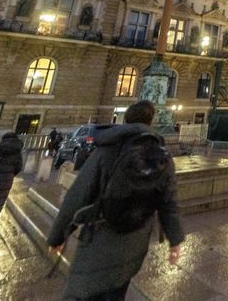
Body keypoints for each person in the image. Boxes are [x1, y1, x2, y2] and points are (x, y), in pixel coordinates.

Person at [47, 101, 183, 300]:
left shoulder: (106, 150)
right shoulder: (161, 156)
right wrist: (175, 240)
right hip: (134, 242)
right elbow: (169, 202)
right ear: (151, 122)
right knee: (116, 291)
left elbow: (78, 195)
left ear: (125, 120)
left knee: (84, 290)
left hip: (99, 236)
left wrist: (58, 236)